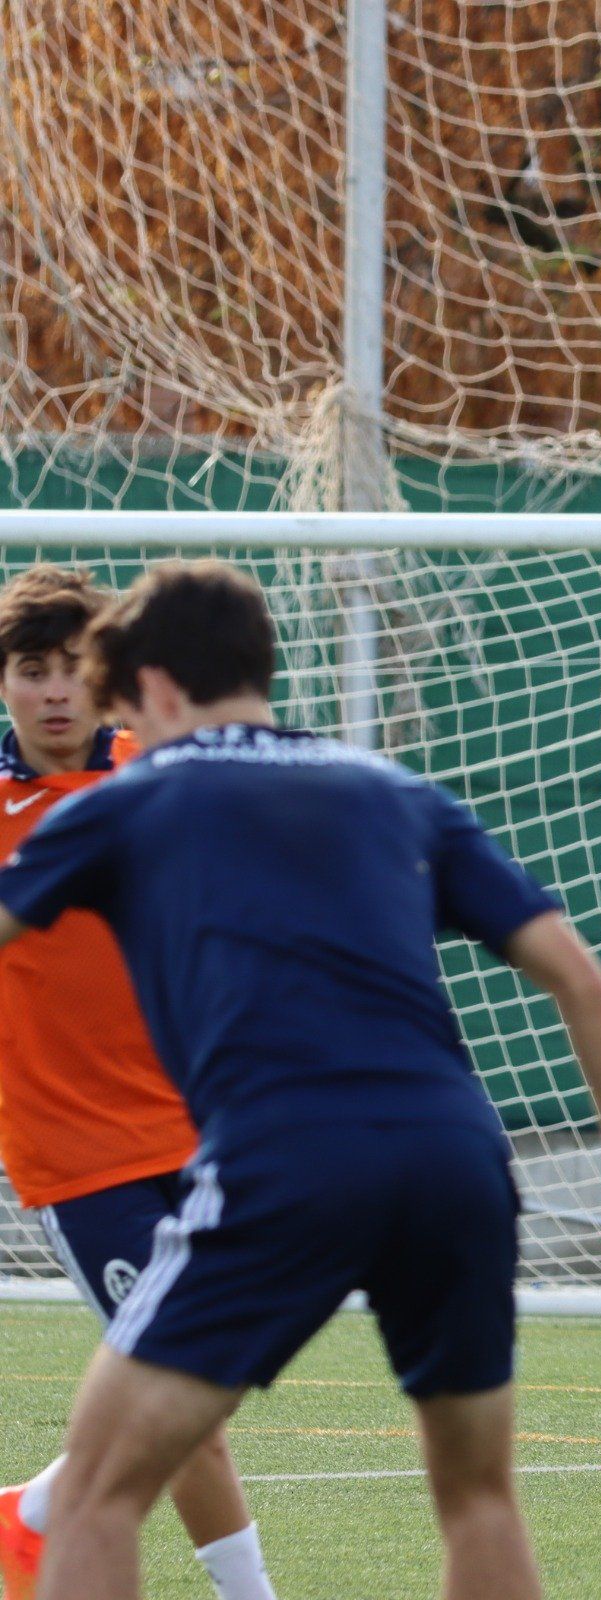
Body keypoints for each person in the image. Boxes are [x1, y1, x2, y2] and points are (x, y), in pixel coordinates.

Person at [0, 560, 601, 1600]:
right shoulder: (396, 790)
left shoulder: (129, 798)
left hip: (282, 1157)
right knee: (478, 1499)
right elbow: (584, 982)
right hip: (460, 1160)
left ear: (149, 687)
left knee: (97, 1489)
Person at [0, 566, 277, 1600]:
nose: (57, 691)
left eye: (75, 667)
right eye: (33, 671)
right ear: (5, 684)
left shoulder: (160, 774)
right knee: (184, 1392)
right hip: (76, 1156)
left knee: (214, 1373)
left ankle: (31, 1512)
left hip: (204, 1130)